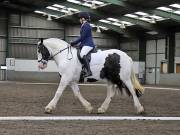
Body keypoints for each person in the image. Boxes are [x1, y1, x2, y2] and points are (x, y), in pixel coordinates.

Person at [70, 12, 95, 77]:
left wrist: (74, 43)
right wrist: (77, 45)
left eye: (80, 19)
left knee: (82, 54)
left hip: (88, 44)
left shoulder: (86, 25)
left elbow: (82, 37)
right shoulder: (84, 25)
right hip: (84, 44)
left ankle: (89, 71)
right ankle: (82, 69)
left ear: (83, 18)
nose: (79, 20)